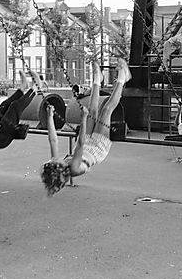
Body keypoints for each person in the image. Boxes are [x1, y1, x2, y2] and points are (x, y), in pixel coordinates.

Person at [41, 59, 132, 196]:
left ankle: (97, 79)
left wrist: (49, 117)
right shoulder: (74, 169)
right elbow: (80, 145)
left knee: (92, 111)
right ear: (59, 169)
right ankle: (123, 77)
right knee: (106, 109)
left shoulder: (57, 164)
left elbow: (53, 140)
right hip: (97, 149)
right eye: (53, 163)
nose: (53, 160)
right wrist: (83, 119)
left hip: (85, 143)